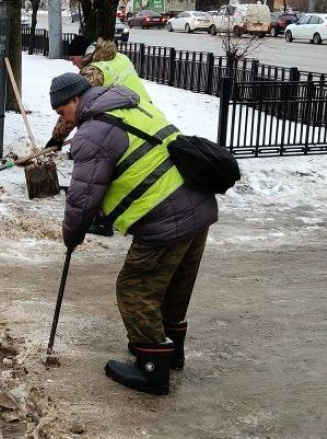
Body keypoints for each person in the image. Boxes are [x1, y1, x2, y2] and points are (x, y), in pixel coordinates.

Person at [49, 73, 218, 396]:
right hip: (198, 204)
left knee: (134, 288)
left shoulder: (92, 134)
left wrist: (71, 236)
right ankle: (170, 352)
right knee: (173, 285)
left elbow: (83, 199)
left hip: (165, 218)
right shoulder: (130, 106)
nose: (65, 120)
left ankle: (151, 368)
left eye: (62, 112)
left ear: (76, 99)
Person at [46, 35, 152, 237]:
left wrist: (57, 137)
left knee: (102, 168)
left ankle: (104, 220)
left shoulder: (94, 71)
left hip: (123, 121)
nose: (73, 62)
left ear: (83, 54)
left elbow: (75, 107)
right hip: (143, 114)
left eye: (73, 58)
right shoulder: (118, 57)